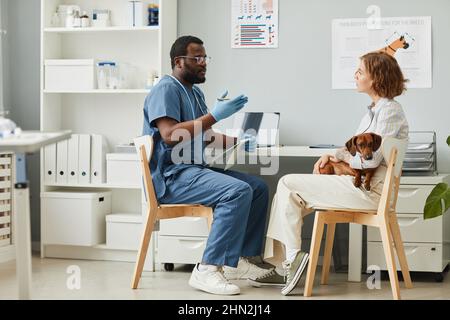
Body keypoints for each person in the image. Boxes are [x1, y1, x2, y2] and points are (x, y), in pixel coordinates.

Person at [256, 52, 409, 295]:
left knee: (287, 184)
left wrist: (337, 155)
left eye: (360, 71)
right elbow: (352, 148)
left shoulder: (389, 111)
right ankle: (285, 264)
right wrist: (332, 155)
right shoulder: (374, 111)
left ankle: (289, 262)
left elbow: (370, 159)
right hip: (357, 185)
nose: (355, 75)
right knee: (288, 196)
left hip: (369, 192)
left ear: (376, 77)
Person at [142, 36, 272, 295]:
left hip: (193, 170)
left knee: (257, 187)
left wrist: (239, 142)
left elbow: (206, 135)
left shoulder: (194, 92)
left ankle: (245, 261)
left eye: (205, 58)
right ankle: (207, 269)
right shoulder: (166, 89)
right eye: (197, 58)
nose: (203, 63)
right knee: (236, 191)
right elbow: (170, 135)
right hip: (171, 177)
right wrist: (214, 115)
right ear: (179, 61)